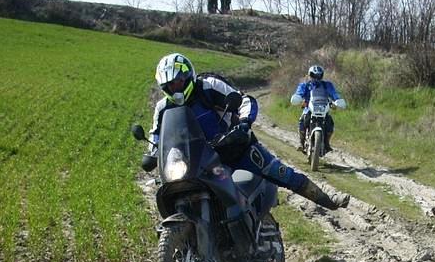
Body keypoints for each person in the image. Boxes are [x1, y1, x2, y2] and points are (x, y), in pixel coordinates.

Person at [142, 53, 350, 210]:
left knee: (280, 173)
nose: (176, 88)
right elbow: (157, 134)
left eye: (179, 82)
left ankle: (328, 199)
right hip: (198, 161)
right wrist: (152, 154)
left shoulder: (207, 87)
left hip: (233, 147)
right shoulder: (162, 108)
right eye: (170, 85)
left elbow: (244, 101)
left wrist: (243, 124)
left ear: (188, 76)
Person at [290, 65, 346, 152]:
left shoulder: (327, 85)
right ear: (309, 75)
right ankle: (301, 142)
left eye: (318, 76)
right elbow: (299, 93)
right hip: (309, 107)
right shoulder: (305, 85)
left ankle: (326, 143)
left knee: (330, 122)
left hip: (323, 107)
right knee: (303, 119)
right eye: (313, 75)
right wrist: (298, 97)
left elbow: (334, 93)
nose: (316, 78)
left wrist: (337, 100)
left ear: (322, 76)